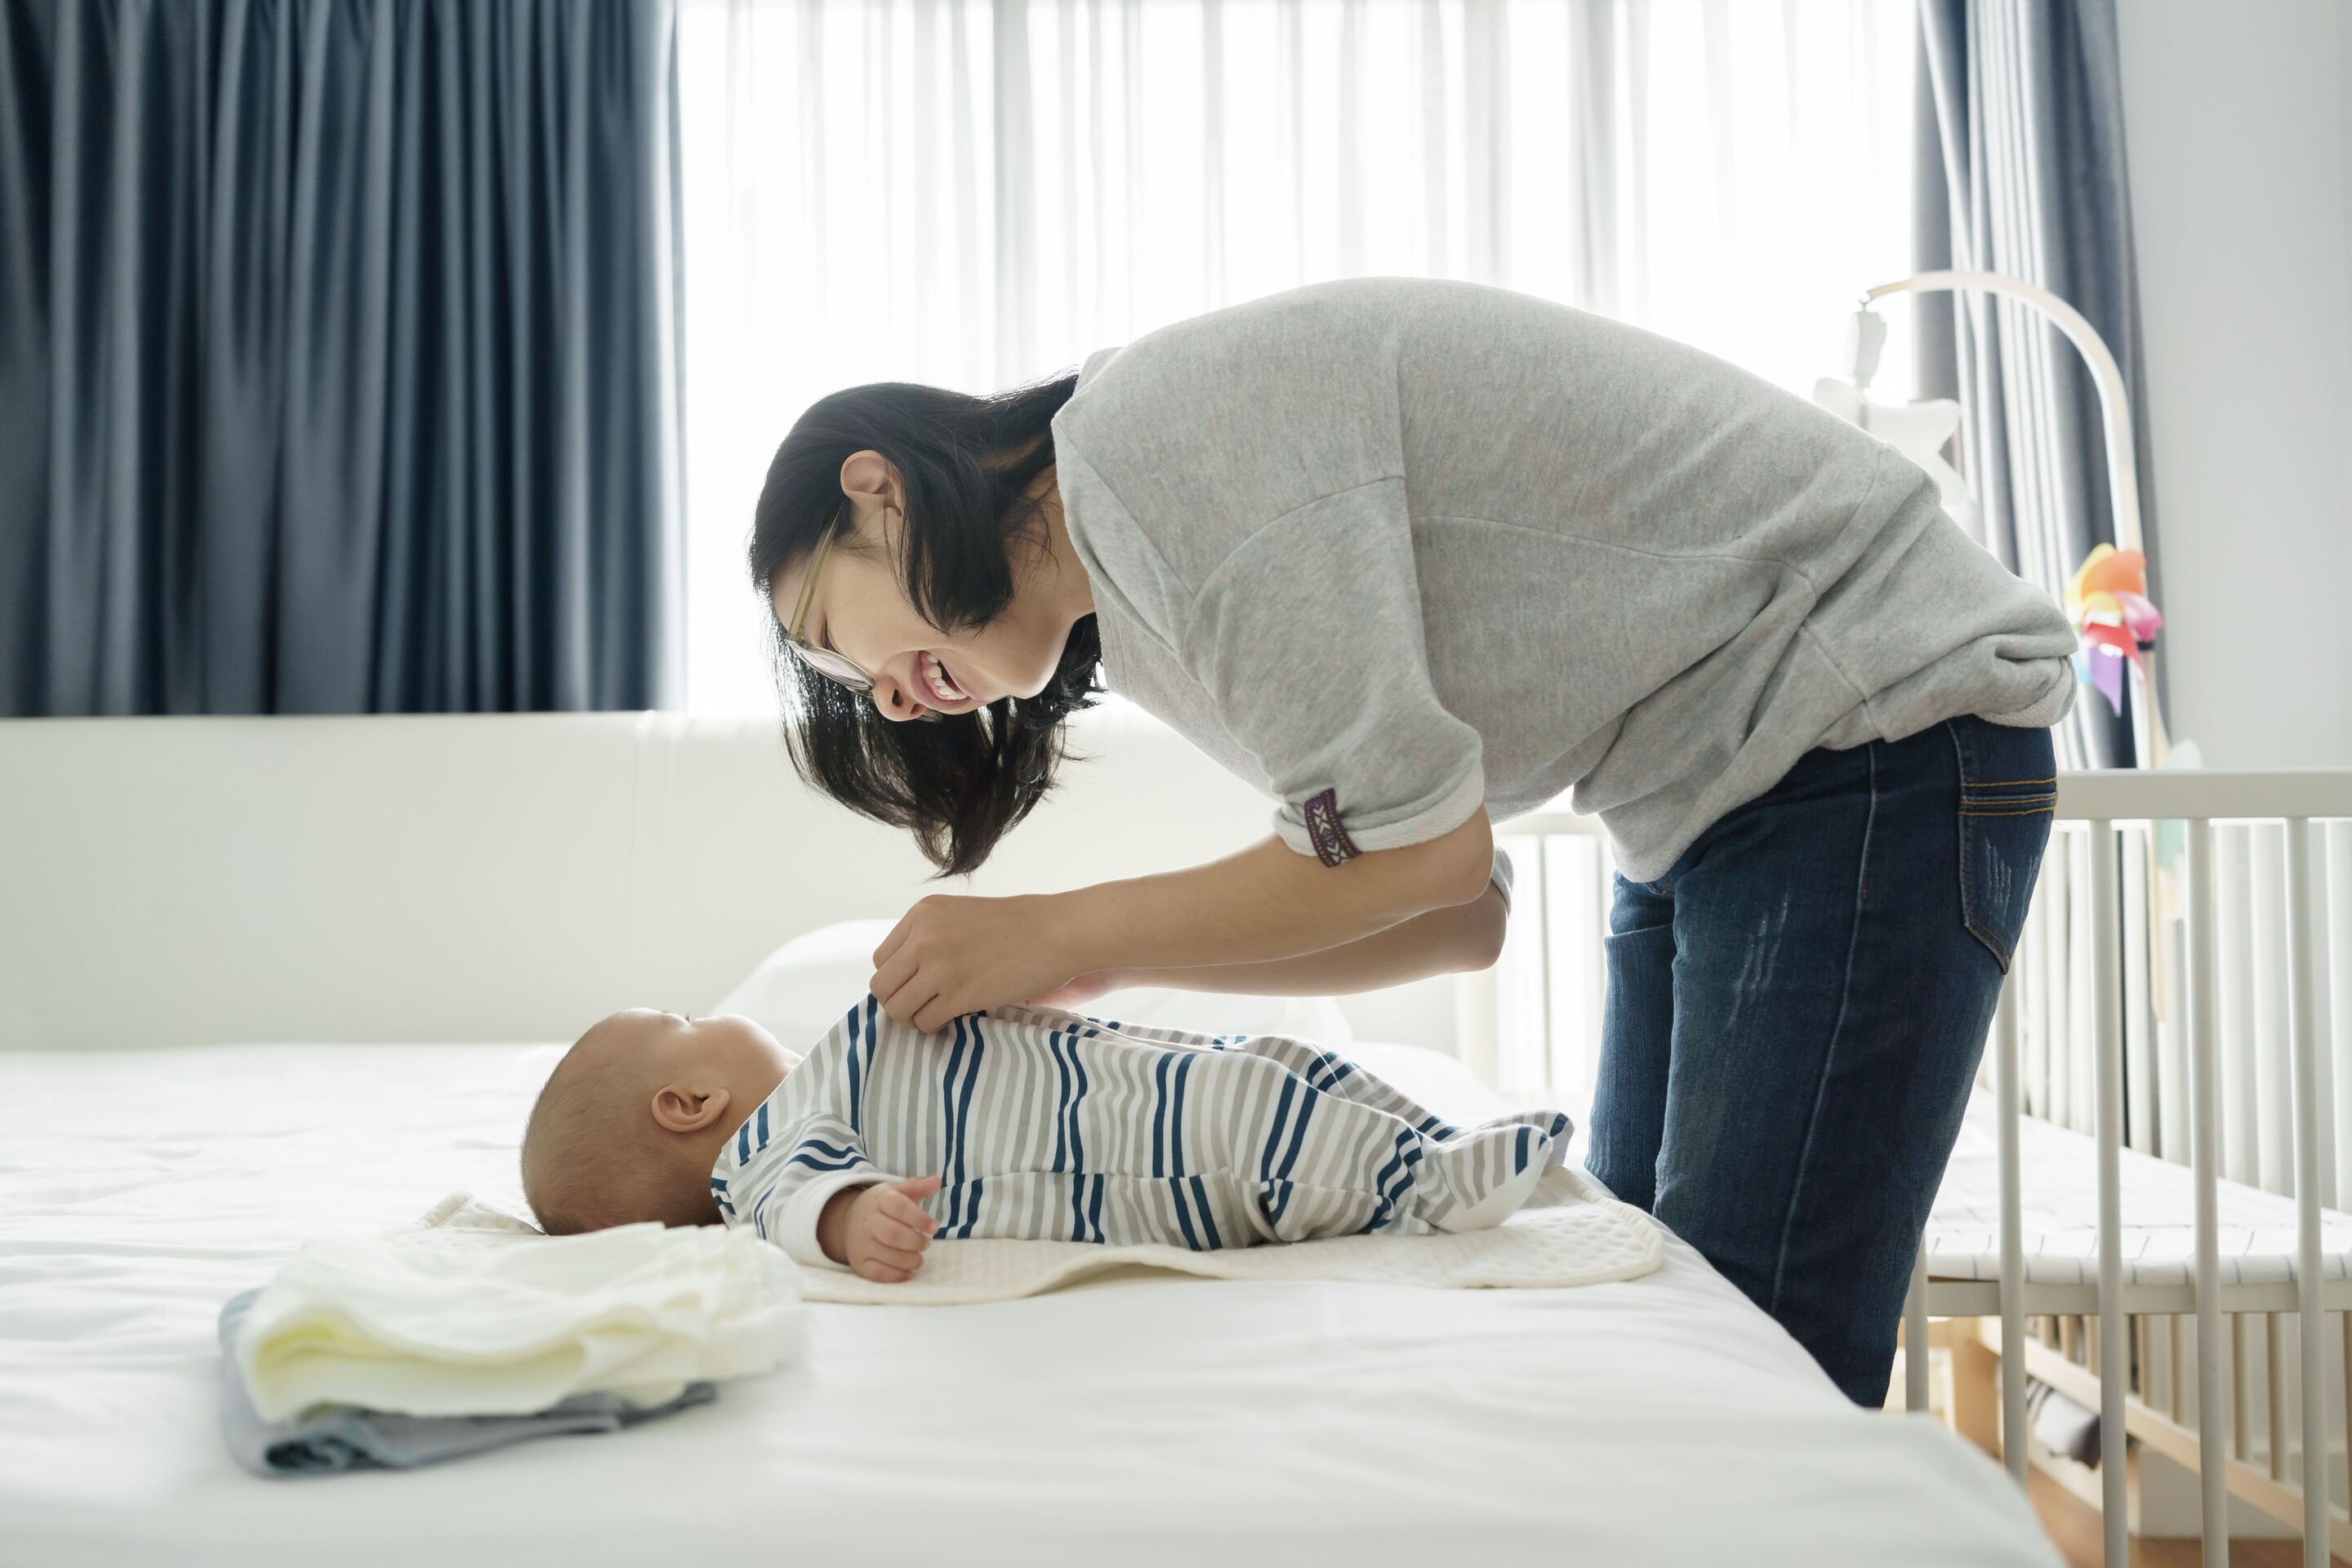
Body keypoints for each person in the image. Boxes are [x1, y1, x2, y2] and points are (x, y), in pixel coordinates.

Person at [745, 274, 2070, 1399]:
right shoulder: (1137, 602)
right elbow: (1450, 908)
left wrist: (1058, 927)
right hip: (1710, 795)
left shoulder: (1156, 449)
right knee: (1662, 1323)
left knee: (1744, 1371)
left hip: (1861, 724)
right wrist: (1087, 967)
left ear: (882, 496)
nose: (883, 694)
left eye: (830, 630)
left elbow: (1415, 863)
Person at [519, 1001, 1574, 1281]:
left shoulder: (835, 1066)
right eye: (684, 1015)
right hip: (1099, 1151)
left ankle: (1441, 1139)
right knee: (1249, 1130)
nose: (708, 1012)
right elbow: (792, 1203)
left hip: (1102, 1076)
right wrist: (849, 1221)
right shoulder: (764, 1155)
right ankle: (1426, 1186)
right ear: (689, 1103)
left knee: (1278, 1069)